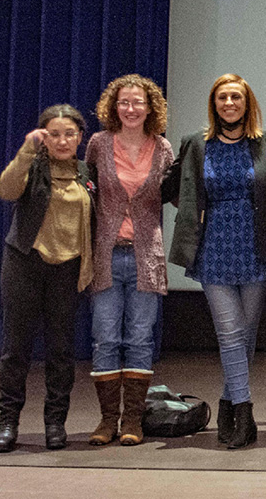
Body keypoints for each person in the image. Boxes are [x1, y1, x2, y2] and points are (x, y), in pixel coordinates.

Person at [165, 74, 266, 450]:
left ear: (248, 103)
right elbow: (175, 189)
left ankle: (227, 403)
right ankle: (244, 411)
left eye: (237, 97)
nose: (230, 103)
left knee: (246, 336)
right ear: (214, 103)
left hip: (256, 248)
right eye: (223, 97)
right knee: (230, 335)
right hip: (213, 247)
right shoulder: (196, 143)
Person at [0, 104, 96, 453]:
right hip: (25, 262)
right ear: (43, 137)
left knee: (61, 350)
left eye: (70, 134)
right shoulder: (32, 167)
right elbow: (5, 190)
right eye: (54, 134)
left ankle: (55, 422)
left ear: (80, 138)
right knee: (16, 348)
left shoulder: (86, 172)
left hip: (67, 269)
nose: (63, 140)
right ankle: (8, 422)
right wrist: (25, 151)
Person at [85, 75, 174, 446]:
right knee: (105, 339)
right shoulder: (99, 144)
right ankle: (108, 420)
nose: (131, 108)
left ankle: (133, 420)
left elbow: (177, 196)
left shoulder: (164, 149)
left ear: (150, 107)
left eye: (138, 102)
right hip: (105, 255)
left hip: (146, 257)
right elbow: (85, 192)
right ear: (113, 106)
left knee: (139, 339)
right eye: (124, 102)